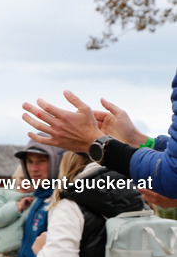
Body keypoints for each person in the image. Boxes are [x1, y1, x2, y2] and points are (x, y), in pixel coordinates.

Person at [21, 85, 177, 203]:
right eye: (29, 161)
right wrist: (137, 140)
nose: (34, 168)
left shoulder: (70, 203)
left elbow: (172, 174)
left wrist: (97, 143)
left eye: (41, 160)